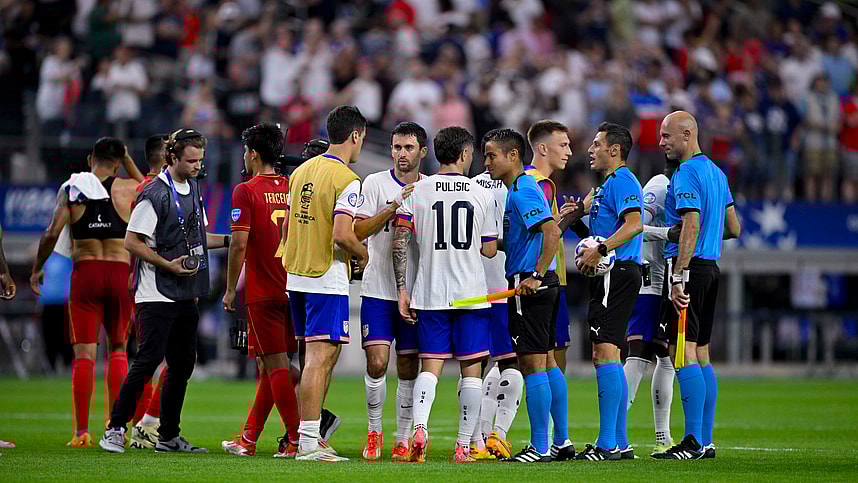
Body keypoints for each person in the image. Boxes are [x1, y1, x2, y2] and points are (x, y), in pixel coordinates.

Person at [99, 128, 231, 454]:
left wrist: (233, 240)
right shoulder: (155, 193)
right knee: (148, 360)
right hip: (155, 292)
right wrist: (167, 264)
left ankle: (168, 435)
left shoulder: (194, 188)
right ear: (172, 157)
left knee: (183, 363)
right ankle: (115, 428)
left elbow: (199, 237)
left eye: (200, 159)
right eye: (191, 160)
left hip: (185, 292)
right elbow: (132, 241)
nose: (198, 165)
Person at [393, 126, 498, 464]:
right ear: (466, 155)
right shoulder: (482, 193)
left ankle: (419, 429)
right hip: (469, 294)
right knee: (472, 371)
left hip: (430, 291)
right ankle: (463, 446)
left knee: (430, 366)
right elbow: (489, 249)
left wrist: (402, 289)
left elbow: (400, 243)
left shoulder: (416, 191)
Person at [29, 137, 143, 448]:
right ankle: (115, 426)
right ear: (119, 161)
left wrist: (37, 267)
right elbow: (149, 185)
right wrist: (128, 160)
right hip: (120, 274)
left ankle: (81, 432)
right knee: (119, 349)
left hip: (86, 274)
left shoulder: (73, 188)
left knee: (84, 354)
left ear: (90, 158)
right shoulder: (129, 189)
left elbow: (52, 232)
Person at [282, 106, 368, 462]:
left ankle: (305, 439)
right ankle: (306, 442)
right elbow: (342, 234)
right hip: (324, 276)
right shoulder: (347, 179)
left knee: (310, 357)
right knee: (321, 358)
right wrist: (362, 255)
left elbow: (288, 227)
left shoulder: (302, 170)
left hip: (297, 274)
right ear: (356, 136)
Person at [653, 111, 741, 460]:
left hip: (689, 270)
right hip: (712, 268)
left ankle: (691, 441)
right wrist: (705, 241)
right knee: (701, 352)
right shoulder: (717, 173)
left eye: (666, 136)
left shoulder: (686, 173)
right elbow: (734, 227)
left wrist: (679, 274)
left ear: (687, 134)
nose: (661, 143)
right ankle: (705, 441)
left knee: (684, 354)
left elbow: (691, 221)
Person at [483, 128, 569, 463]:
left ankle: (540, 447)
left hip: (529, 284)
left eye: (492, 155)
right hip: (543, 282)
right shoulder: (518, 191)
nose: (487, 162)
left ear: (513, 155)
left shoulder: (522, 191)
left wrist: (534, 274)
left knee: (531, 364)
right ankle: (560, 441)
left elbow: (552, 231)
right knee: (546, 363)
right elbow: (531, 236)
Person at [221, 122, 301, 458]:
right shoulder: (292, 185)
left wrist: (228, 290)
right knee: (274, 366)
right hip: (295, 288)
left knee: (275, 365)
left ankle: (299, 439)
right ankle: (249, 438)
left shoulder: (246, 190)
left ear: (253, 154)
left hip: (263, 290)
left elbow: (239, 243)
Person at [353, 121, 423, 461]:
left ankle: (402, 437)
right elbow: (358, 229)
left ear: (422, 152)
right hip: (377, 289)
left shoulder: (430, 189)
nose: (401, 154)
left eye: (408, 148)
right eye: (396, 147)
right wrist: (391, 206)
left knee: (408, 368)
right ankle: (374, 431)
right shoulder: (375, 183)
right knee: (377, 362)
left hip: (417, 293)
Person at [574, 122, 643, 461]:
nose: (591, 149)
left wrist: (600, 250)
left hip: (616, 274)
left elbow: (634, 224)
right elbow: (597, 232)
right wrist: (575, 218)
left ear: (614, 150)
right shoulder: (606, 186)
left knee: (605, 353)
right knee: (609, 353)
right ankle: (620, 441)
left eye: (597, 143)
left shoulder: (625, 181)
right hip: (610, 275)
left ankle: (607, 444)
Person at [623, 155, 679, 454]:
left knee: (665, 359)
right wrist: (667, 233)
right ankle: (614, 433)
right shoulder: (660, 185)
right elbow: (636, 225)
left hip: (666, 284)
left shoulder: (683, 186)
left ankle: (662, 439)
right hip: (651, 283)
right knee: (638, 356)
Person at [470, 167, 525, 461]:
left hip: (472, 286)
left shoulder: (470, 186)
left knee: (478, 364)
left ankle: (477, 436)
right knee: (512, 361)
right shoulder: (516, 187)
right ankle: (497, 435)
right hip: (504, 285)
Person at [128, 133, 170, 450]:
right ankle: (142, 423)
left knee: (152, 357)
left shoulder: (147, 187)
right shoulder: (154, 191)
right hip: (155, 286)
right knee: (163, 358)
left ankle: (140, 423)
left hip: (151, 285)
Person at [525, 120, 573, 373]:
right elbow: (548, 233)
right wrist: (578, 213)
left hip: (537, 277)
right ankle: (553, 414)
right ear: (543, 149)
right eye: (563, 145)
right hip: (545, 279)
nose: (569, 152)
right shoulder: (540, 183)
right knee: (551, 358)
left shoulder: (525, 180)